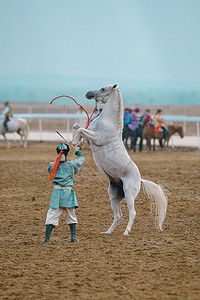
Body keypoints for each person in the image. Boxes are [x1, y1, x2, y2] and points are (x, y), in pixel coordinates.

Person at [40, 143, 85, 244]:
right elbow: (81, 161)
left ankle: (47, 239)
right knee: (71, 214)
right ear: (67, 153)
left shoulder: (51, 165)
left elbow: (50, 171)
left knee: (52, 214)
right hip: (68, 193)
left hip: (56, 193)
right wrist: (79, 154)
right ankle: (73, 238)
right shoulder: (72, 165)